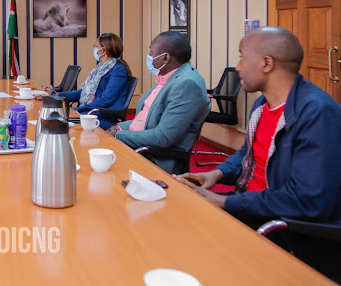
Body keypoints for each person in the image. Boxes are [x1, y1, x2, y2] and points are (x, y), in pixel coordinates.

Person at [175, 28, 341, 279]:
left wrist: (225, 201)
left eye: (242, 57)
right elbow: (247, 156)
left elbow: (309, 200)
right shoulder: (263, 105)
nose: (238, 67)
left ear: (266, 63)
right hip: (252, 209)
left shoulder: (317, 113)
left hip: (283, 229)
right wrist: (216, 174)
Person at [109, 31, 209, 174]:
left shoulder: (187, 84)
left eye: (151, 52)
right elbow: (146, 118)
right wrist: (118, 127)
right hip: (140, 146)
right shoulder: (168, 77)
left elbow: (163, 138)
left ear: (165, 58)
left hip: (155, 159)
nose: (149, 57)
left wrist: (118, 135)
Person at [50, 33, 131, 130]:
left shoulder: (118, 70)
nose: (94, 49)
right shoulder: (100, 68)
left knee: (58, 121)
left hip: (103, 116)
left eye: (96, 46)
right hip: (92, 112)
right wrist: (58, 95)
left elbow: (106, 100)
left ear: (104, 50)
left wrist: (77, 110)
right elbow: (83, 92)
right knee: (53, 116)